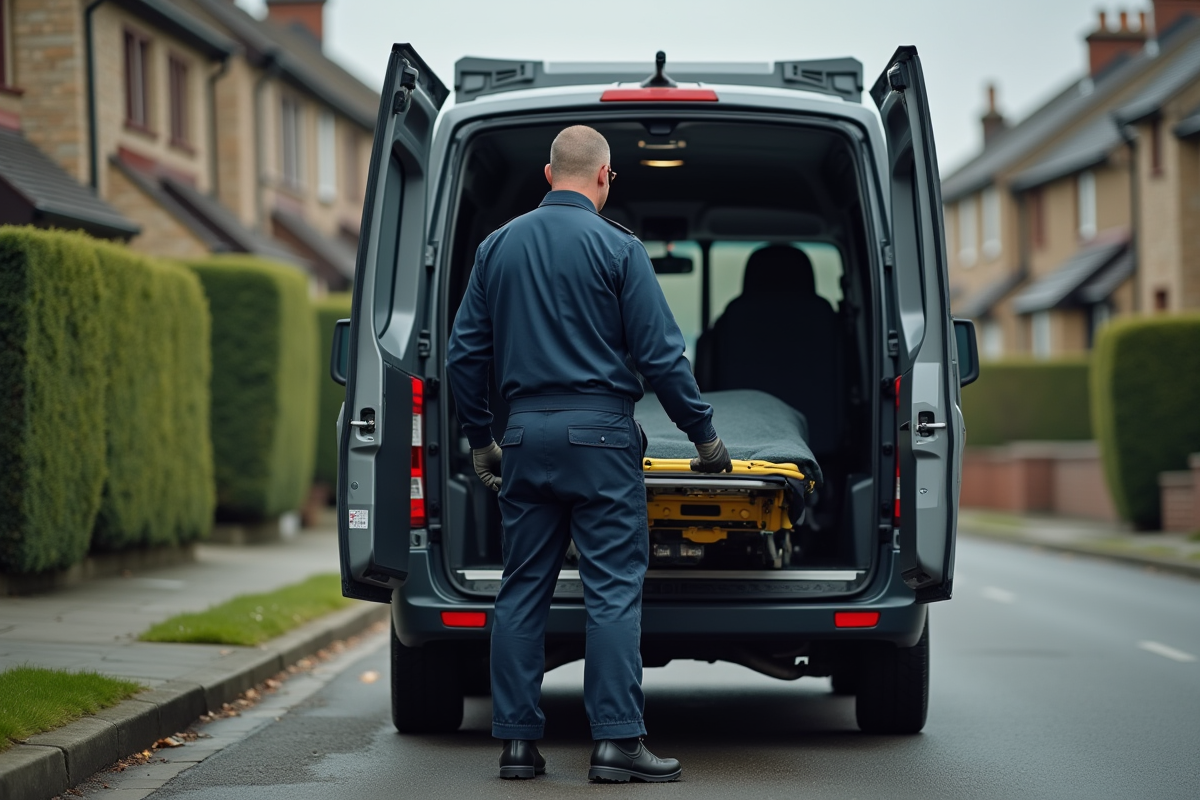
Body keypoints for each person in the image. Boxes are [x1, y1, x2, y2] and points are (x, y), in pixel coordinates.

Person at [446, 124, 732, 783]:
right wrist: (703, 436)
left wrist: (481, 438)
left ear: (549, 176)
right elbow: (662, 357)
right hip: (601, 440)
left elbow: (465, 355)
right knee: (611, 591)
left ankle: (518, 746)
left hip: (522, 436)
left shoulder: (497, 248)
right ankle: (616, 745)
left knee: (522, 591)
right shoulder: (619, 249)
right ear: (605, 177)